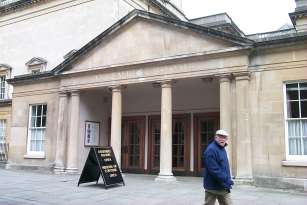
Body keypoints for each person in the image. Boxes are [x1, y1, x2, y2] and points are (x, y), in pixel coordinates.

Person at [203, 129, 233, 205]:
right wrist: (227, 179)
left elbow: (223, 166)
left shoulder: (221, 148)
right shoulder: (211, 150)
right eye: (220, 137)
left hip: (221, 185)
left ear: (226, 139)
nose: (222, 139)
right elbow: (214, 170)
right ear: (216, 138)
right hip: (214, 186)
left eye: (224, 137)